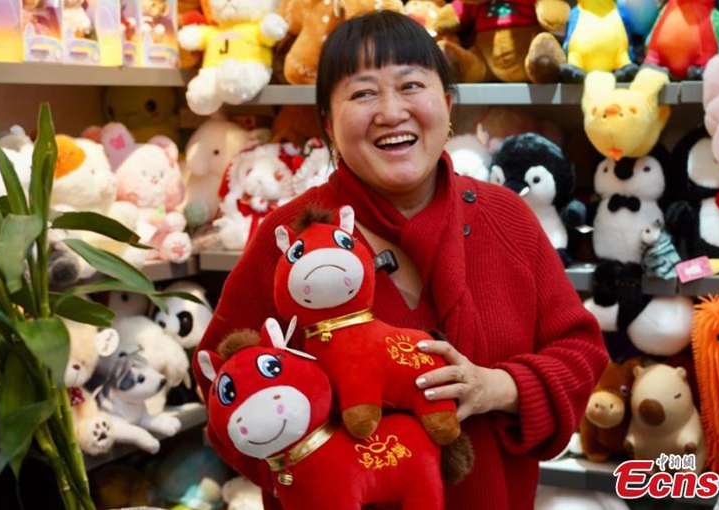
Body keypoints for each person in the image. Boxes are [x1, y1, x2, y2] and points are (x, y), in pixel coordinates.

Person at [195, 10, 609, 510]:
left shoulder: (507, 218)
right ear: (328, 123)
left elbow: (579, 352)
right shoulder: (290, 240)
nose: (391, 112)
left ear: (447, 105)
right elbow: (220, 378)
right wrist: (304, 474)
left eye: (411, 85)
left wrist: (497, 387)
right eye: (362, 93)